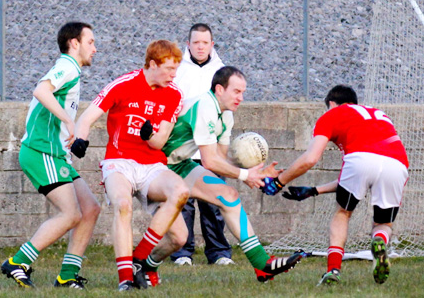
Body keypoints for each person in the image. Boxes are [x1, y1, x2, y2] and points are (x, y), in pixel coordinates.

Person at [138, 66, 305, 286]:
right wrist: (245, 175)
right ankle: (143, 264)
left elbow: (220, 159)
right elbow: (209, 161)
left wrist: (255, 172)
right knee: (179, 238)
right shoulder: (205, 105)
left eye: (243, 92)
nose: (241, 98)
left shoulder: (226, 115)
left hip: (180, 165)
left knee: (229, 194)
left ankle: (262, 264)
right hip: (156, 167)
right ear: (219, 89)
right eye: (236, 92)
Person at [72, 39, 190, 291]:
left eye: (176, 69)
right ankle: (126, 278)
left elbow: (159, 143)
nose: (173, 75)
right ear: (152, 64)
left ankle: (142, 260)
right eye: (169, 69)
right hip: (120, 163)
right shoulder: (124, 84)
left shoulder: (175, 94)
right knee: (123, 206)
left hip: (152, 166)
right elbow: (87, 116)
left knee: (180, 234)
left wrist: (149, 136)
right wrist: (81, 138)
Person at [261, 85, 409, 285]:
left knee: (342, 213)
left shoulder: (333, 114)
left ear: (331, 104)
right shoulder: (378, 114)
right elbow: (368, 168)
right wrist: (314, 190)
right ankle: (380, 241)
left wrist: (278, 183)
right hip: (397, 163)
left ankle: (333, 270)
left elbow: (310, 159)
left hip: (359, 159)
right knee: (383, 224)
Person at [0, 22, 101, 289]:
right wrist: (68, 120)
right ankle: (17, 262)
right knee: (70, 214)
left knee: (90, 208)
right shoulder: (67, 66)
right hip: (40, 151)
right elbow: (41, 90)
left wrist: (73, 137)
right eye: (90, 42)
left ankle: (67, 276)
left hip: (55, 154)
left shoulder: (73, 70)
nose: (95, 48)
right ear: (74, 43)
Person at [170, 23, 233, 266]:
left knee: (213, 204)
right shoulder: (177, 70)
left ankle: (219, 253)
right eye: (195, 42)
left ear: (211, 44)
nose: (200, 47)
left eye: (204, 42)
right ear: (188, 44)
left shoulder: (222, 71)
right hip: (182, 149)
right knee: (182, 203)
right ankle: (182, 253)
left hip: (210, 148)